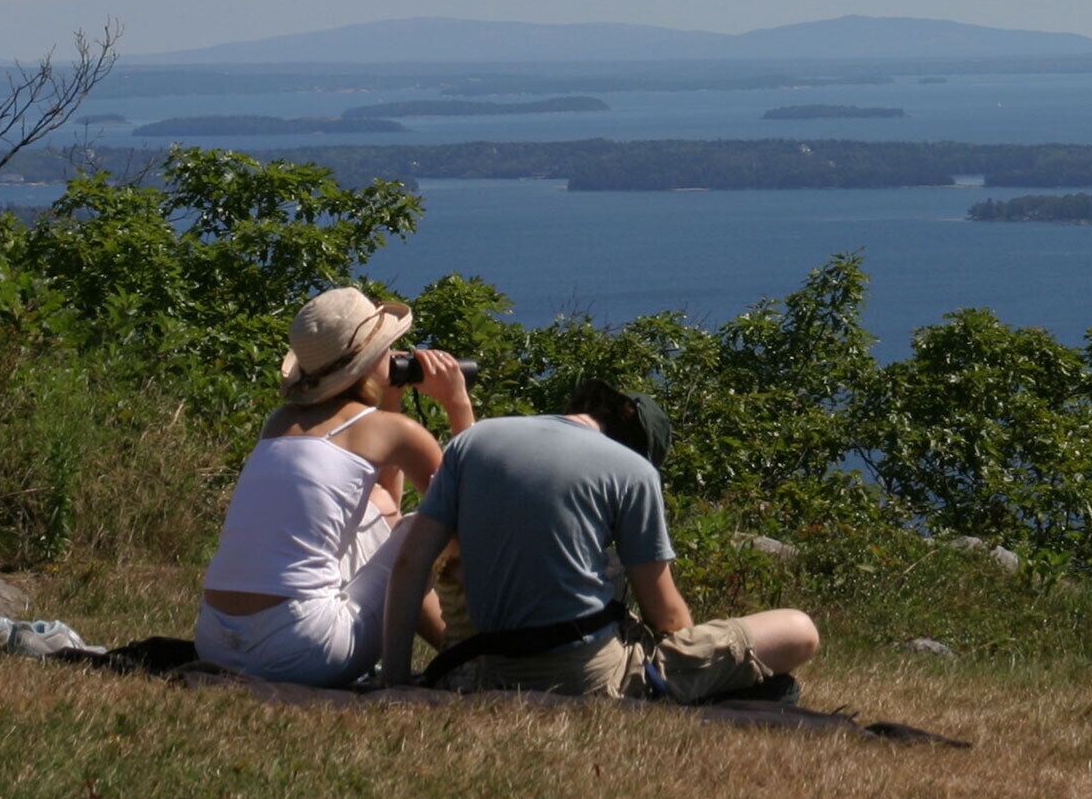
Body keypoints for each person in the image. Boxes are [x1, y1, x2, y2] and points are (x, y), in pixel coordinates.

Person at [372, 379, 818, 701]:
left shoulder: (473, 442)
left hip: (470, 670)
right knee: (799, 629)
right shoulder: (632, 471)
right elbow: (665, 615)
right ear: (641, 449)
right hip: (582, 677)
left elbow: (411, 565)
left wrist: (395, 680)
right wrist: (691, 659)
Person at [194, 286, 475, 687]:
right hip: (304, 650)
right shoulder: (395, 432)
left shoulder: (277, 424)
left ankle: (451, 649)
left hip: (215, 641)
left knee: (376, 507)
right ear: (372, 358)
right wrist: (457, 403)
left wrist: (388, 400)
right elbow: (471, 506)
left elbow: (382, 504)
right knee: (421, 525)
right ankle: (459, 657)